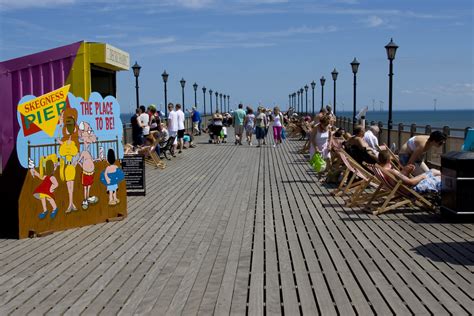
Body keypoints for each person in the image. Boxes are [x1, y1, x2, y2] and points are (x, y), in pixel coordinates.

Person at [30, 154, 59, 219]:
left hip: (47, 190)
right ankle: (45, 210)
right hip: (43, 189)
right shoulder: (46, 176)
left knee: (49, 199)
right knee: (42, 198)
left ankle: (55, 208)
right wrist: (35, 172)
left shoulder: (52, 177)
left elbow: (56, 184)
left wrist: (51, 188)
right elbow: (41, 177)